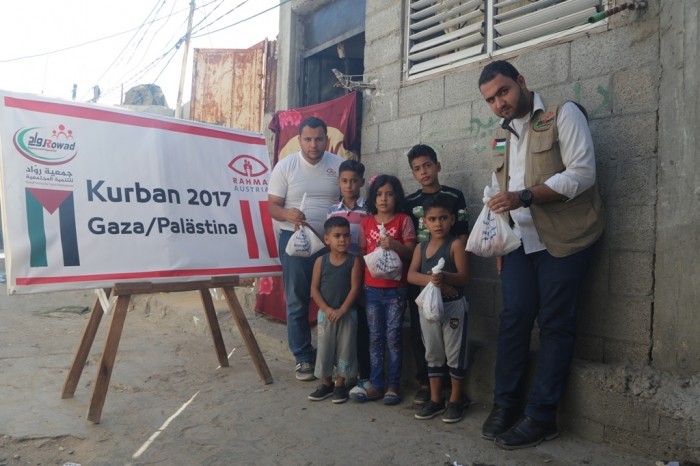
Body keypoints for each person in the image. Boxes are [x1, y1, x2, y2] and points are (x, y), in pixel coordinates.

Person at [477, 60, 604, 449]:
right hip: (518, 243)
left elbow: (582, 173)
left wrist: (525, 196)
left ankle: (541, 416)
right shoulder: (500, 137)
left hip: (563, 240)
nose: (499, 103)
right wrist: (500, 238)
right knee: (513, 319)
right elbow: (495, 189)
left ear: (521, 81)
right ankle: (506, 405)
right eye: (490, 99)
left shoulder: (561, 115)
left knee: (554, 324)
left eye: (503, 91)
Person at [268, 116, 345, 381]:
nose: (314, 145)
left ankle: (332, 356)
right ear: (299, 140)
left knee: (334, 299)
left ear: (327, 139)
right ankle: (302, 358)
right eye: (308, 139)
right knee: (297, 298)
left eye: (319, 139)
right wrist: (287, 214)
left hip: (331, 244)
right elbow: (272, 207)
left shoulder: (338, 165)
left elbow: (350, 198)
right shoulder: (286, 166)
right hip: (295, 241)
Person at [403, 144, 469, 405]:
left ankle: (453, 393)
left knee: (452, 341)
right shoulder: (409, 202)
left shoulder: (454, 196)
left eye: (428, 165)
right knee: (423, 333)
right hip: (422, 277)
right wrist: (431, 282)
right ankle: (426, 385)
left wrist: (449, 277)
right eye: (417, 169)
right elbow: (409, 241)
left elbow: (463, 233)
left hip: (450, 277)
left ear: (437, 166)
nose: (424, 172)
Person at [350, 175, 416, 405]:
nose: (384, 199)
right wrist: (359, 287)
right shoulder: (366, 223)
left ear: (397, 196)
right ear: (373, 197)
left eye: (389, 194)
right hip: (371, 290)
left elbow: (412, 253)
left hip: (396, 291)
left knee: (393, 337)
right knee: (375, 337)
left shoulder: (403, 220)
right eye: (379, 194)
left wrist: (395, 245)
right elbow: (362, 255)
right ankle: (377, 384)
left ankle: (393, 386)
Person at [326, 160, 372, 396]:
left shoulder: (369, 210)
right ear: (338, 182)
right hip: (341, 277)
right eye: (344, 181)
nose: (349, 185)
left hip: (364, 275)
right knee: (342, 328)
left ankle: (364, 375)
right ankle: (340, 376)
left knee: (362, 326)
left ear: (362, 182)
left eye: (354, 181)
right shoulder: (332, 211)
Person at [307, 216, 362, 404]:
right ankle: (326, 383)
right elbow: (314, 288)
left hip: (348, 315)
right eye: (337, 236)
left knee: (346, 348)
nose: (342, 240)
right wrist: (327, 309)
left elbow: (355, 288)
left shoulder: (354, 261)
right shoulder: (320, 261)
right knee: (325, 349)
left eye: (346, 235)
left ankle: (340, 384)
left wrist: (342, 310)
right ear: (327, 239)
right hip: (325, 315)